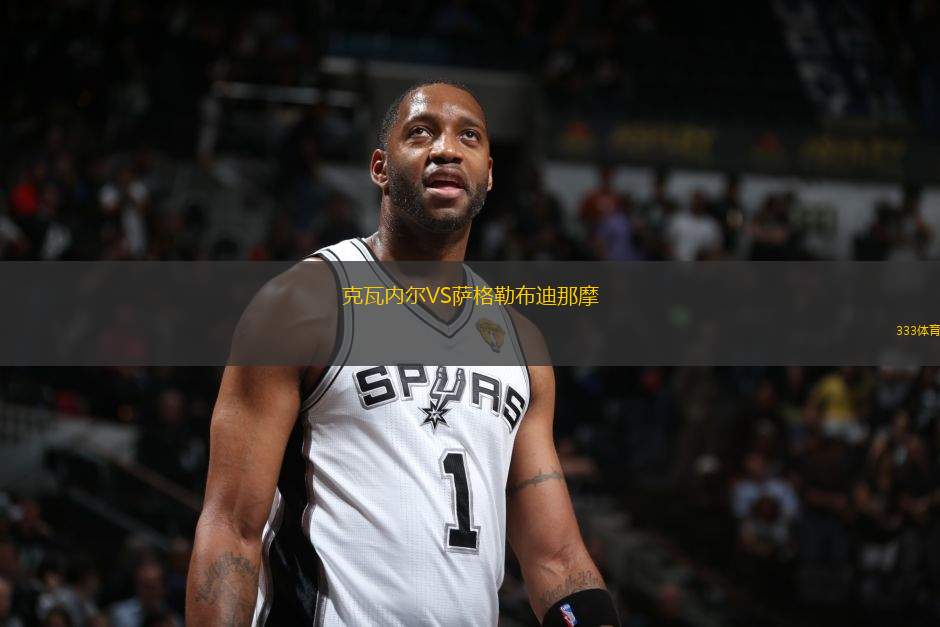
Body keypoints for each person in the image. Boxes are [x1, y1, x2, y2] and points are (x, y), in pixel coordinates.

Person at [186, 81, 619, 627]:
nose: (446, 149)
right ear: (380, 168)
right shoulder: (302, 305)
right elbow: (231, 528)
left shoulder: (520, 345)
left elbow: (556, 560)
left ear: (488, 174)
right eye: (421, 133)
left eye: (469, 136)